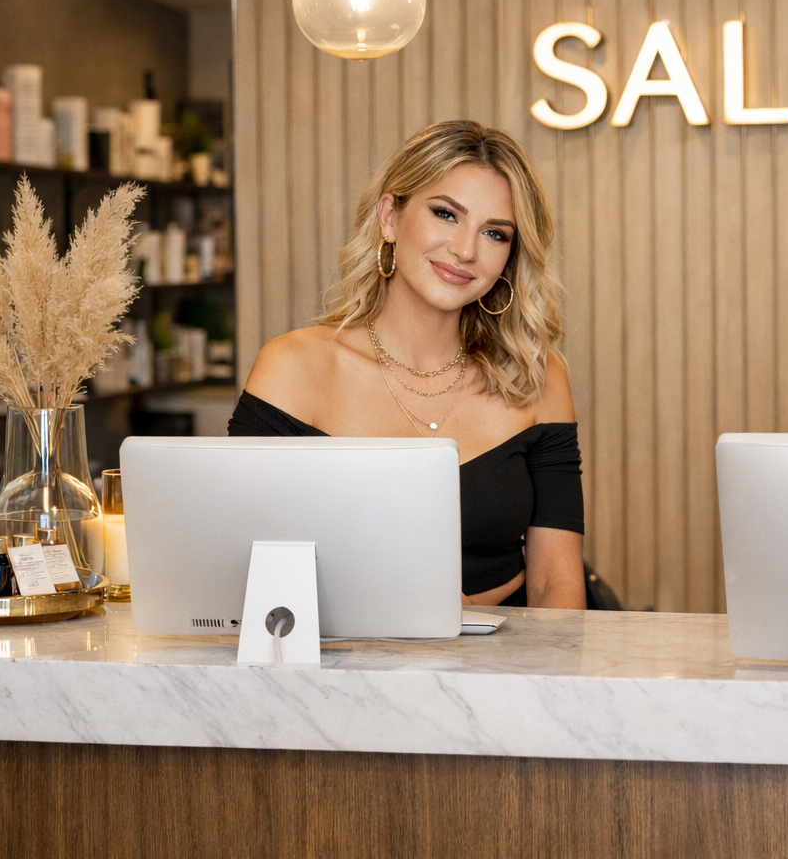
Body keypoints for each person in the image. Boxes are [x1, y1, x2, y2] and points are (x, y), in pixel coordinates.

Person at [230, 120, 587, 609]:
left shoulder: (539, 378)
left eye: (494, 233)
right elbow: (251, 570)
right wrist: (417, 609)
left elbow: (557, 585)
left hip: (505, 666)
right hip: (341, 670)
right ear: (390, 217)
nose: (465, 250)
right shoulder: (294, 370)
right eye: (445, 214)